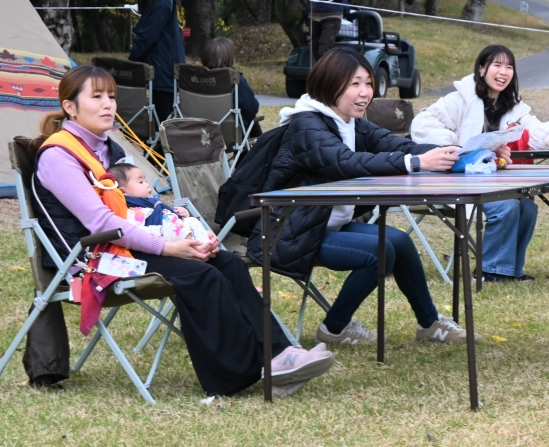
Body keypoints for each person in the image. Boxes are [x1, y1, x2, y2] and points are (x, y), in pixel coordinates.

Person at [33, 65, 334, 398]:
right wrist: (168, 248)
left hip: (126, 248)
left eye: (112, 96)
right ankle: (241, 375)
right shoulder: (58, 157)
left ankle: (280, 354)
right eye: (97, 96)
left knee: (228, 264)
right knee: (199, 275)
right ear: (70, 106)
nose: (108, 104)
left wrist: (191, 236)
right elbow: (103, 224)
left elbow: (140, 206)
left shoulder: (109, 149)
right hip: (91, 259)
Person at [246, 48, 477, 346]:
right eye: (355, 84)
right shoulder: (307, 126)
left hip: (323, 224)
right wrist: (417, 164)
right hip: (289, 231)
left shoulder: (349, 122)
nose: (365, 92)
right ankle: (335, 328)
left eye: (368, 83)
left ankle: (430, 324)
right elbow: (346, 162)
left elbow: (397, 145)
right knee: (380, 251)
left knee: (400, 242)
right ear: (330, 83)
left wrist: (464, 153)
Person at [411, 45, 549, 282]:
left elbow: (534, 128)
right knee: (506, 206)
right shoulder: (461, 99)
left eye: (509, 67)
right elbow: (422, 124)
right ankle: (489, 271)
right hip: (454, 178)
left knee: (527, 207)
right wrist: (458, 146)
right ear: (482, 69)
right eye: (497, 65)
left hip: (489, 179)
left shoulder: (513, 106)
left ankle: (510, 271)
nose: (503, 72)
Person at [129, 0, 186, 123]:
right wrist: (131, 64)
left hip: (164, 71)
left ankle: (158, 148)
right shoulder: (163, 2)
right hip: (162, 72)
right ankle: (158, 150)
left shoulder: (162, 0)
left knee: (162, 118)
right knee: (162, 121)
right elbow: (148, 36)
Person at [108, 162, 209, 242]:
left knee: (192, 220)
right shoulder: (133, 211)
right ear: (123, 191)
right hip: (164, 236)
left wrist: (182, 214)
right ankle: (196, 245)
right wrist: (159, 230)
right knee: (171, 228)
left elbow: (167, 213)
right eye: (141, 182)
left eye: (145, 181)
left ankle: (204, 243)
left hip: (176, 229)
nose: (147, 185)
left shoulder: (152, 202)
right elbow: (136, 231)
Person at [201, 37, 260, 136]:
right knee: (252, 121)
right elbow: (251, 107)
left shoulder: (194, 77)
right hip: (228, 133)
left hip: (197, 130)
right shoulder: (233, 78)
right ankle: (254, 150)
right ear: (230, 57)